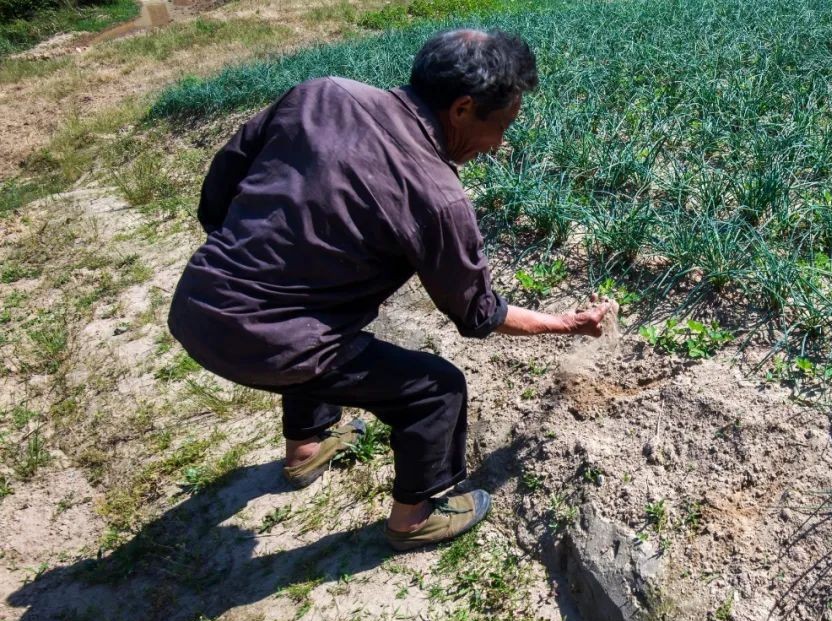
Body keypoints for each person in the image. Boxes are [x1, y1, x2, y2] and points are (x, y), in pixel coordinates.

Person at [167, 28, 613, 551]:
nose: (498, 145)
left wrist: (248, 259)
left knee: (318, 323)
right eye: (501, 127)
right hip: (263, 343)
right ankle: (413, 518)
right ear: (463, 108)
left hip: (196, 303)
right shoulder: (436, 195)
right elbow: (477, 314)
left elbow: (222, 181)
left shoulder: (322, 93)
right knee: (435, 390)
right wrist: (565, 324)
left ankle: (305, 449)